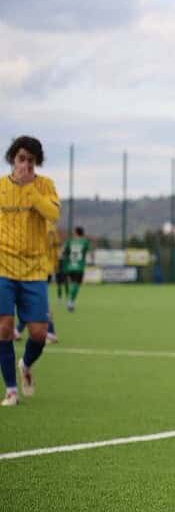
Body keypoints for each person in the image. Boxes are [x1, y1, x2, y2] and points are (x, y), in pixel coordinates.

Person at [0, 136, 61, 406]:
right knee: (4, 328)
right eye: (21, 158)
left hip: (34, 270)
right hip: (3, 266)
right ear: (13, 158)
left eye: (31, 161)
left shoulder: (45, 185)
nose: (25, 164)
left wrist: (30, 190)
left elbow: (53, 214)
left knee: (38, 333)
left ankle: (25, 364)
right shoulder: (1, 187)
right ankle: (11, 390)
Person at [62, 226, 90, 312]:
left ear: (76, 232)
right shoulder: (85, 241)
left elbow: (63, 252)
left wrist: (65, 262)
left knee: (73, 283)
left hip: (70, 266)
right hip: (79, 267)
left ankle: (70, 301)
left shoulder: (69, 241)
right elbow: (88, 252)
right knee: (76, 284)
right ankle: (71, 301)